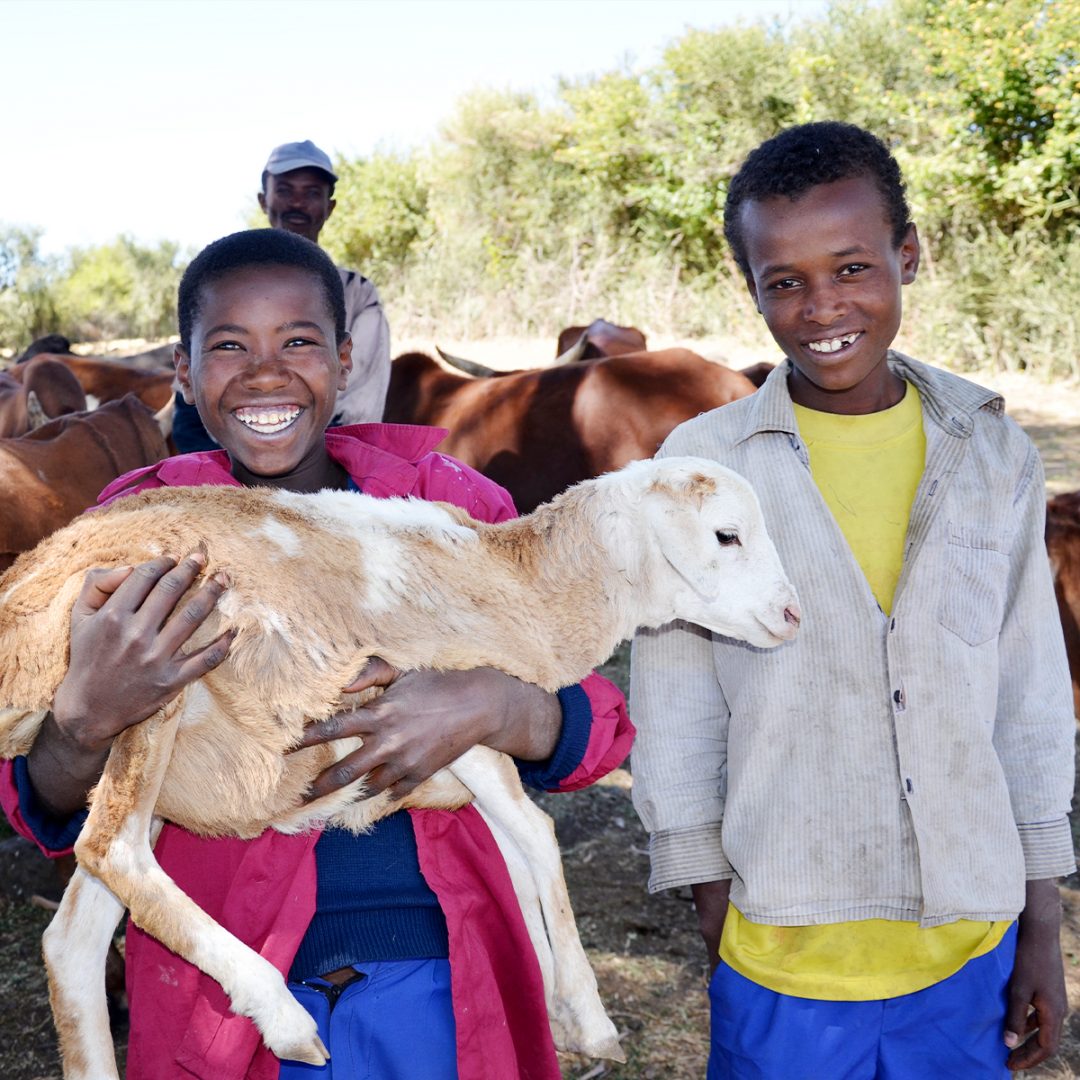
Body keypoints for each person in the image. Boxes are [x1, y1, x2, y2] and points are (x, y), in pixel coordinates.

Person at [1, 228, 632, 1080]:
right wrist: (84, 720)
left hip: (440, 976)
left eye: (298, 342)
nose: (266, 373)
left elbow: (595, 724)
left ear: (343, 361)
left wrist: (500, 704)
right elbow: (41, 801)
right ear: (183, 371)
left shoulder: (439, 504)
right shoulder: (142, 529)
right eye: (230, 346)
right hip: (224, 1002)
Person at [629, 121, 1075, 1078]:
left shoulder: (992, 451)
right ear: (751, 288)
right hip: (778, 952)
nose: (822, 306)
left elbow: (1029, 695)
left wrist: (1042, 921)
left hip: (968, 947)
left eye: (853, 268)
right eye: (784, 281)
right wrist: (709, 896)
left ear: (907, 255)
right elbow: (675, 701)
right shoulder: (702, 467)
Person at [172, 140, 392, 452]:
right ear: (264, 201)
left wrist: (314, 468)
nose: (297, 203)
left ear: (329, 207)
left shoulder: (357, 293)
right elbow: (188, 412)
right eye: (285, 190)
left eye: (312, 193)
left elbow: (361, 407)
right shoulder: (219, 286)